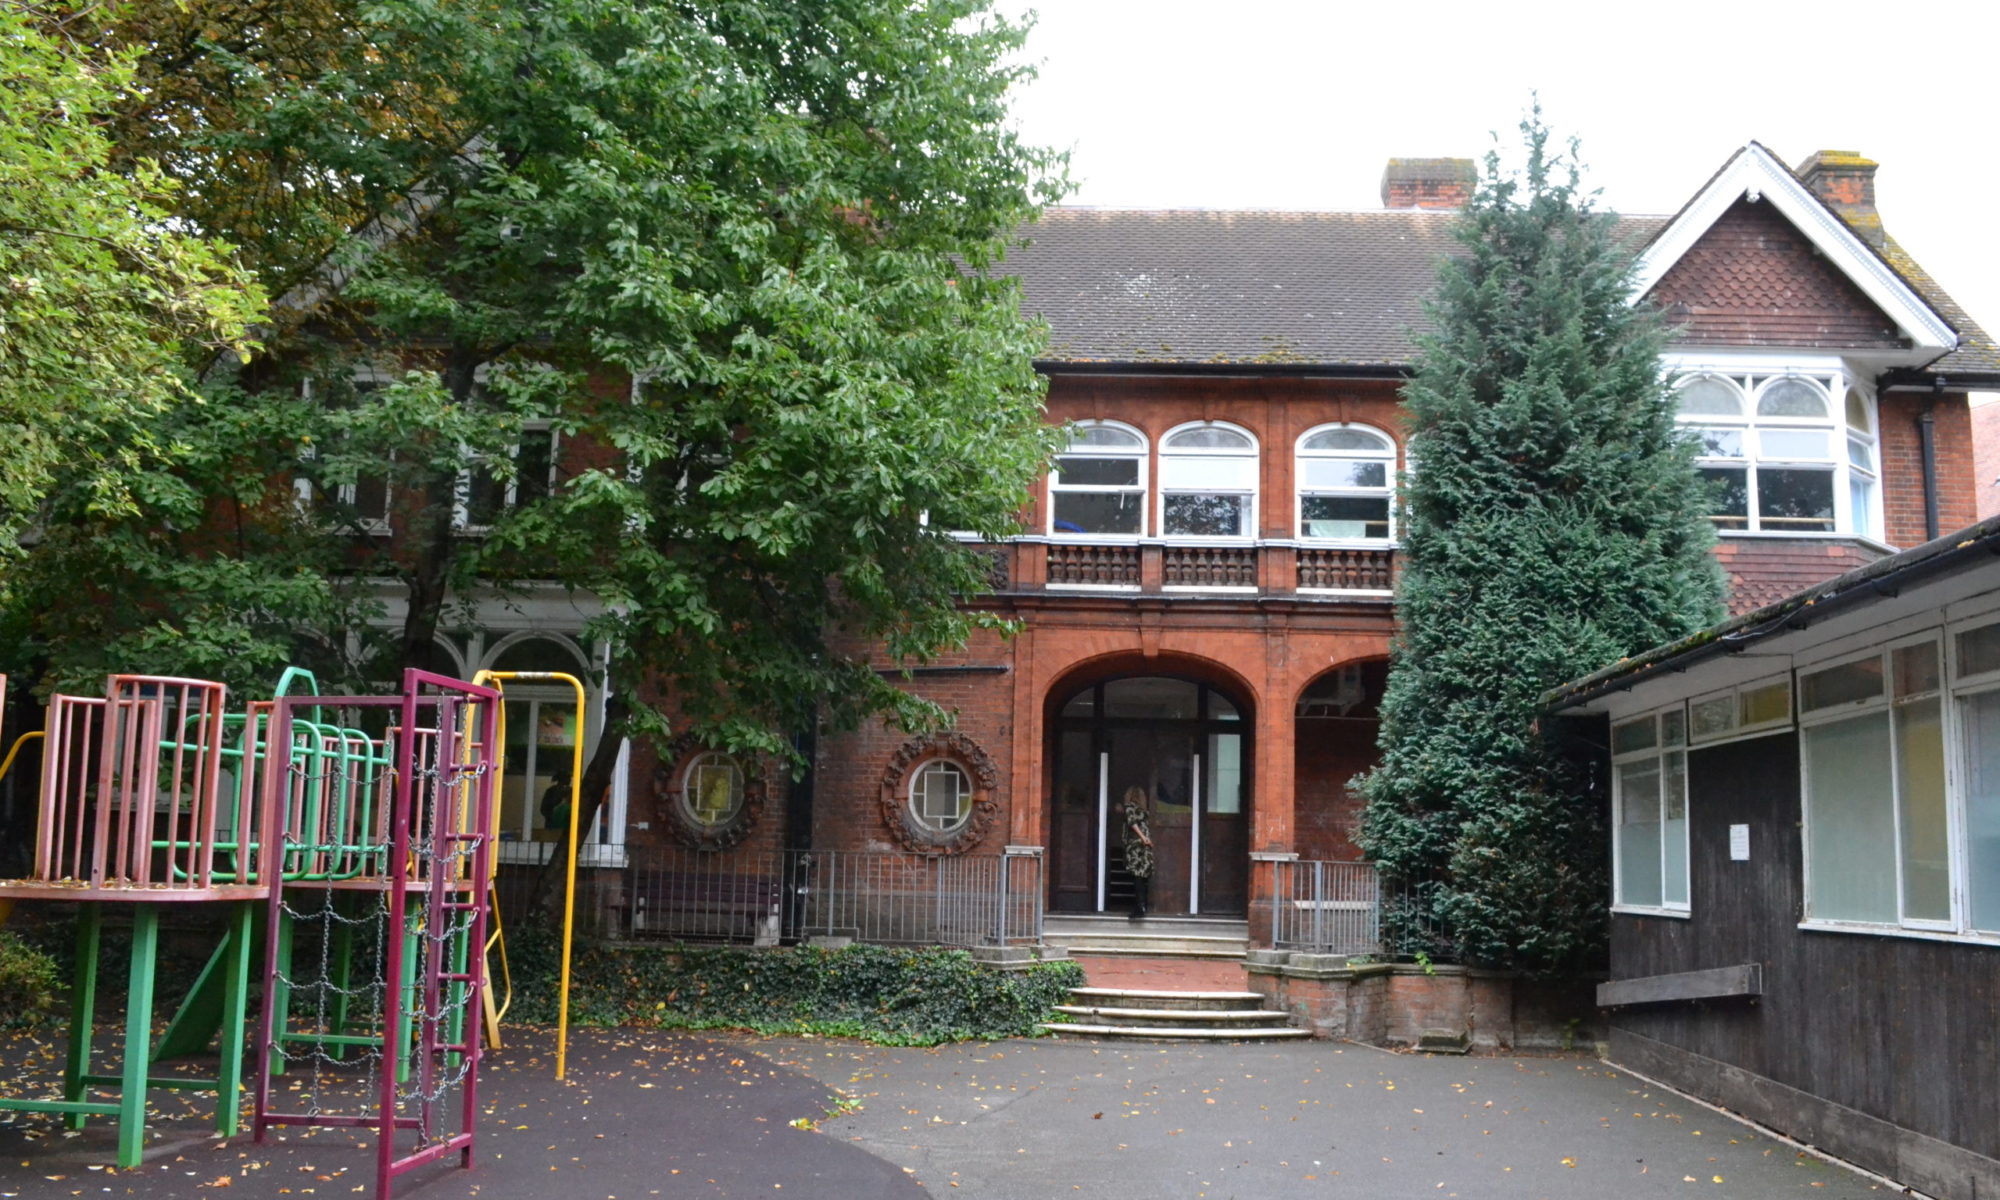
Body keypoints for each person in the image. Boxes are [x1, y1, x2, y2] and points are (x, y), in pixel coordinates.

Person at [1120, 786, 1153, 920]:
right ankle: (1142, 905)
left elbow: (1132, 823)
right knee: (1142, 877)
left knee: (1137, 877)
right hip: (1146, 847)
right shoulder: (1144, 811)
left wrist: (1142, 837)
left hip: (1135, 846)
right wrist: (1146, 838)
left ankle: (1139, 907)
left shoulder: (1129, 807)